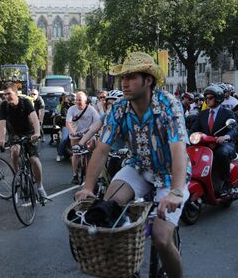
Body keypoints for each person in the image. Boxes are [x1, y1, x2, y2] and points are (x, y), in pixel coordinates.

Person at [75, 52, 188, 278]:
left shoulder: (169, 105)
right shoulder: (118, 108)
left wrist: (176, 191)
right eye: (122, 78)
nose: (124, 83)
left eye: (131, 77)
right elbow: (102, 149)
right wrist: (88, 187)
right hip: (138, 167)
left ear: (148, 80)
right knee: (107, 211)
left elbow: (179, 150)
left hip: (169, 174)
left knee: (161, 238)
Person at [0, 82, 47, 198]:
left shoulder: (25, 102)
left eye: (9, 93)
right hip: (15, 133)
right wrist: (1, 139)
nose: (6, 96)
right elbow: (2, 123)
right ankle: (18, 178)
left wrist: (37, 132)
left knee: (34, 160)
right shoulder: (4, 105)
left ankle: (40, 186)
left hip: (30, 132)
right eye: (4, 94)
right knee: (14, 152)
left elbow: (34, 118)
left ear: (15, 93)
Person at [190, 85, 238, 197]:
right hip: (206, 145)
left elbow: (234, 128)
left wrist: (226, 137)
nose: (207, 100)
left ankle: (227, 185)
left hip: (223, 144)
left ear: (218, 98)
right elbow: (193, 129)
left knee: (222, 153)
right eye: (206, 98)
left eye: (210, 97)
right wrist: (185, 138)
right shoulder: (203, 114)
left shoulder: (227, 113)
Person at [67, 91, 100, 184]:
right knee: (75, 154)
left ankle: (90, 171)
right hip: (75, 134)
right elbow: (68, 122)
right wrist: (72, 132)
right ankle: (75, 175)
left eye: (79, 100)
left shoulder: (91, 110)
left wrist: (93, 131)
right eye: (76, 100)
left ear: (85, 100)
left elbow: (97, 122)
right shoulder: (71, 109)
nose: (77, 101)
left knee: (91, 150)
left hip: (88, 134)